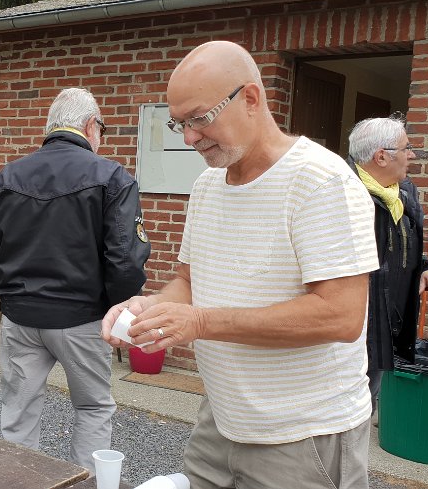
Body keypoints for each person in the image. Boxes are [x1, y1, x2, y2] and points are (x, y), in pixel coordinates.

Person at [101, 41, 379, 489]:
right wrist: (151, 309)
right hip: (221, 416)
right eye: (180, 123)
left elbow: (342, 316)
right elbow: (190, 280)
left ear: (250, 98)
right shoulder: (208, 184)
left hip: (301, 432)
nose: (189, 138)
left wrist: (200, 323)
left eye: (200, 118)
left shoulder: (322, 182)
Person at [0, 87, 151, 470]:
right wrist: (111, 306)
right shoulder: (112, 177)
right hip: (82, 318)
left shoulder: (9, 175)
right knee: (92, 407)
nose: (101, 137)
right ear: (90, 125)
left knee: (19, 411)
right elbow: (126, 264)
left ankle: (18, 480)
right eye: (102, 130)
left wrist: (14, 280)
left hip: (20, 317)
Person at [346, 116, 428, 411]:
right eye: (406, 148)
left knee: (363, 410)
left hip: (385, 332)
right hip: (350, 337)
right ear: (381, 157)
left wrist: (427, 269)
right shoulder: (342, 196)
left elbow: (403, 250)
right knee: (338, 417)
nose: (412, 155)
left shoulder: (403, 193)